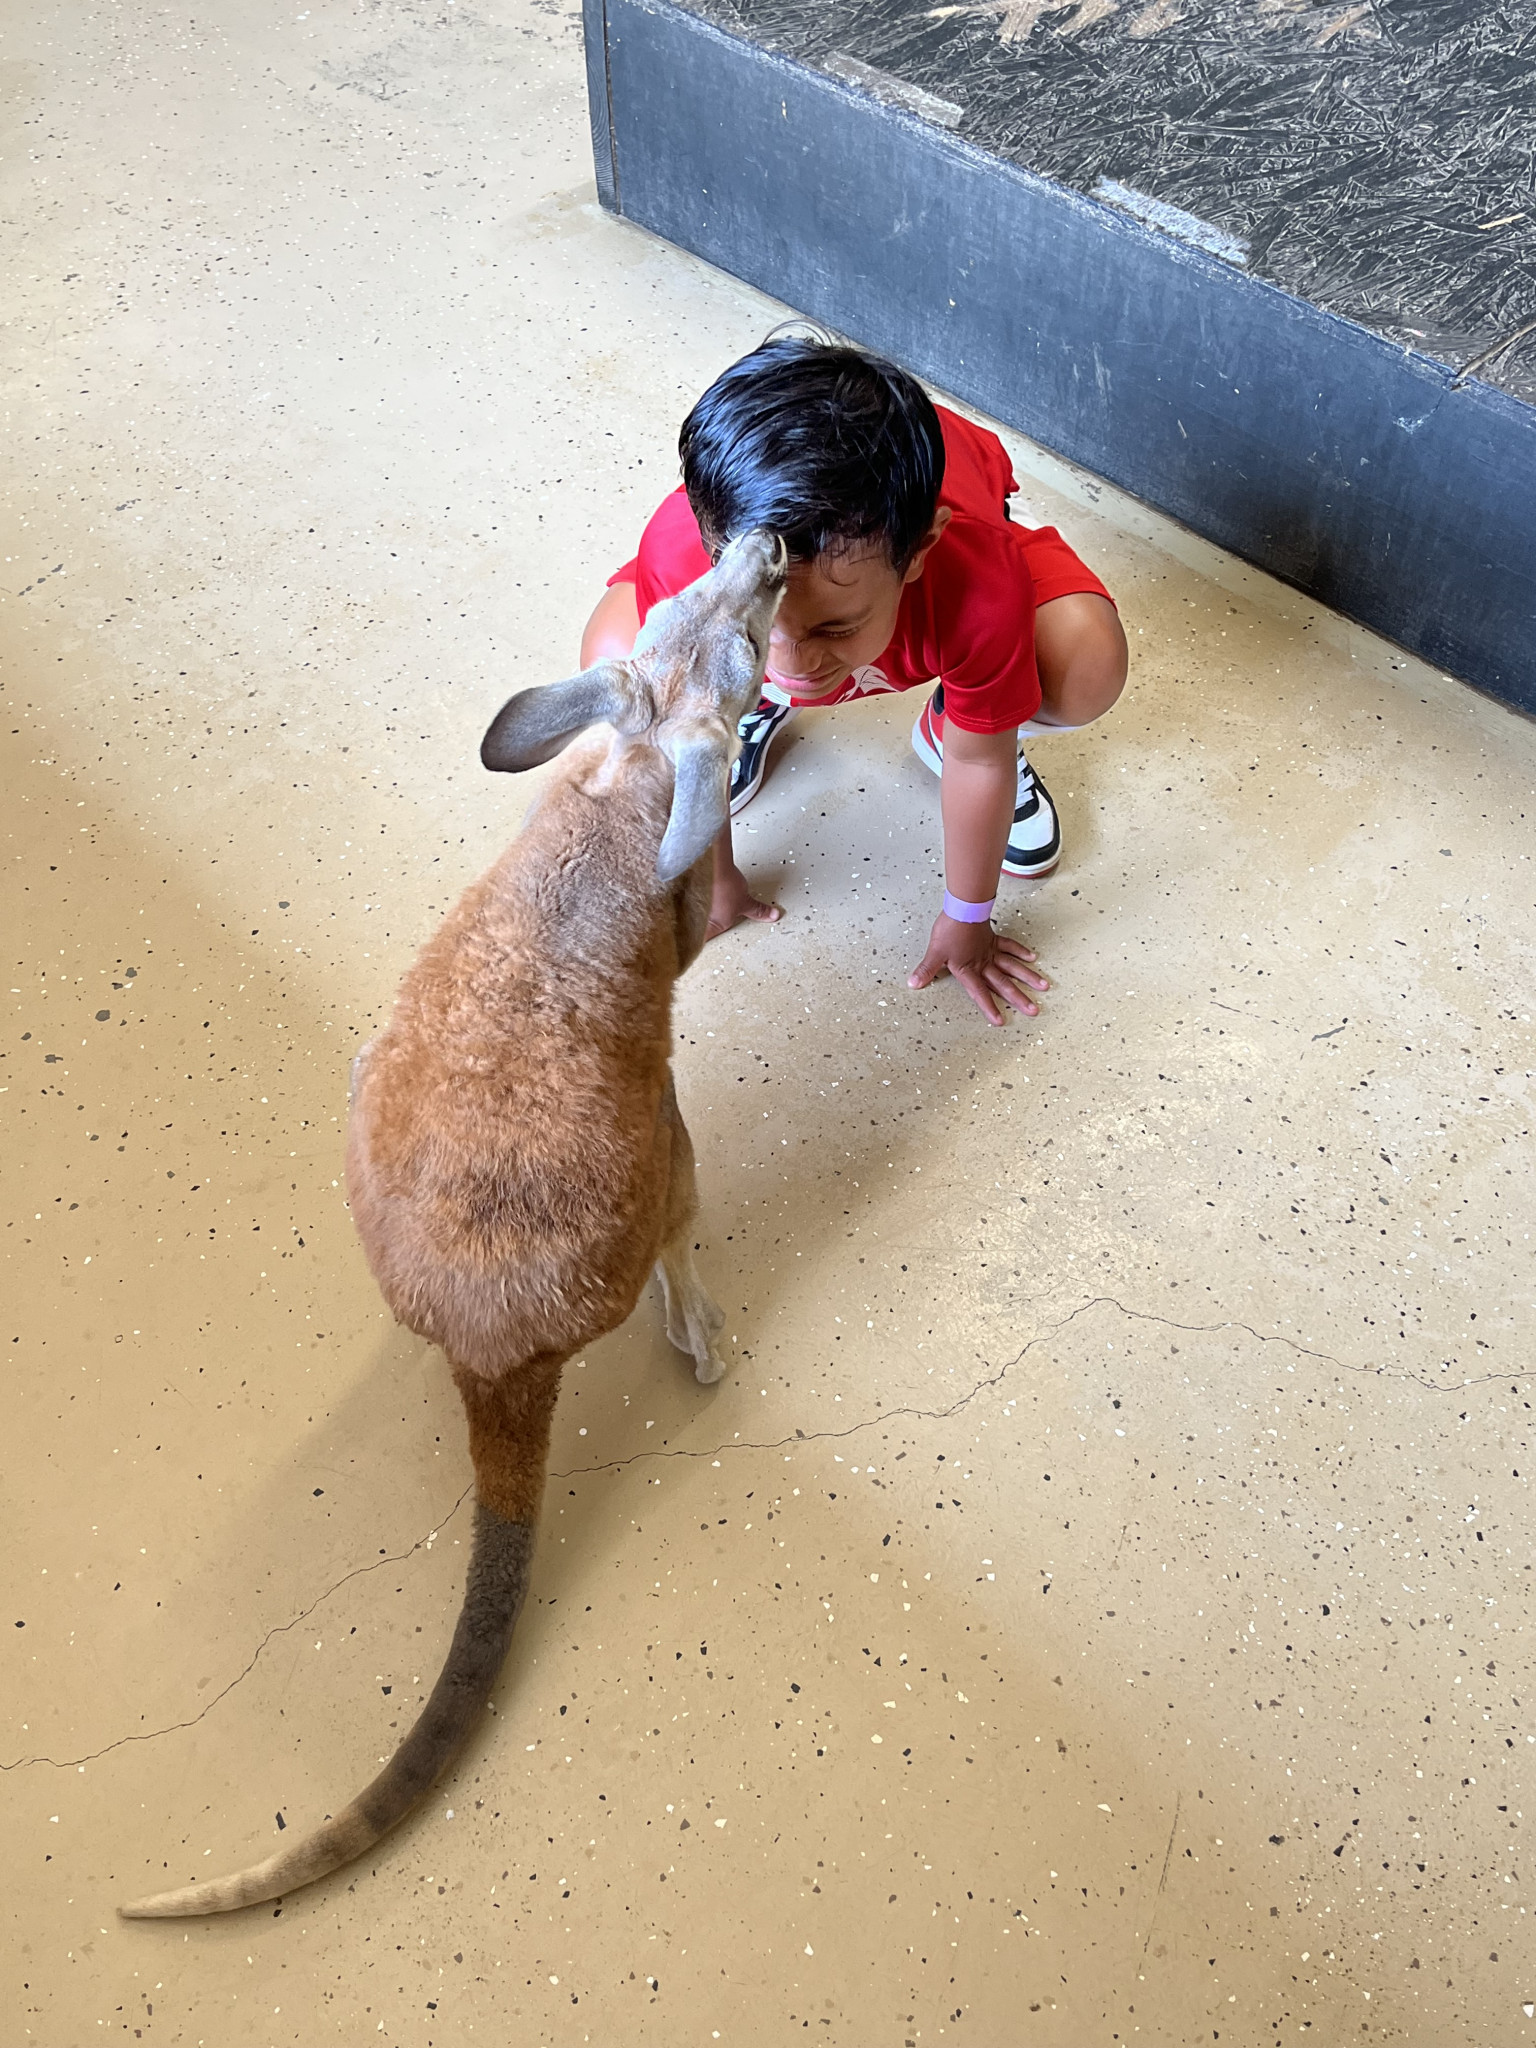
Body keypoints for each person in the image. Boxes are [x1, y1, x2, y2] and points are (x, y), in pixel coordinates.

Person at [579, 335, 1127, 1026]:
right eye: (759, 628)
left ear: (920, 552)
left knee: (1085, 663)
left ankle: (958, 717)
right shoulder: (681, 553)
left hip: (942, 533)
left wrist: (968, 917)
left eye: (833, 629)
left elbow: (979, 762)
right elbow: (689, 712)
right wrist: (714, 881)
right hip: (828, 562)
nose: (792, 663)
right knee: (617, 668)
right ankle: (744, 704)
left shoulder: (976, 581)